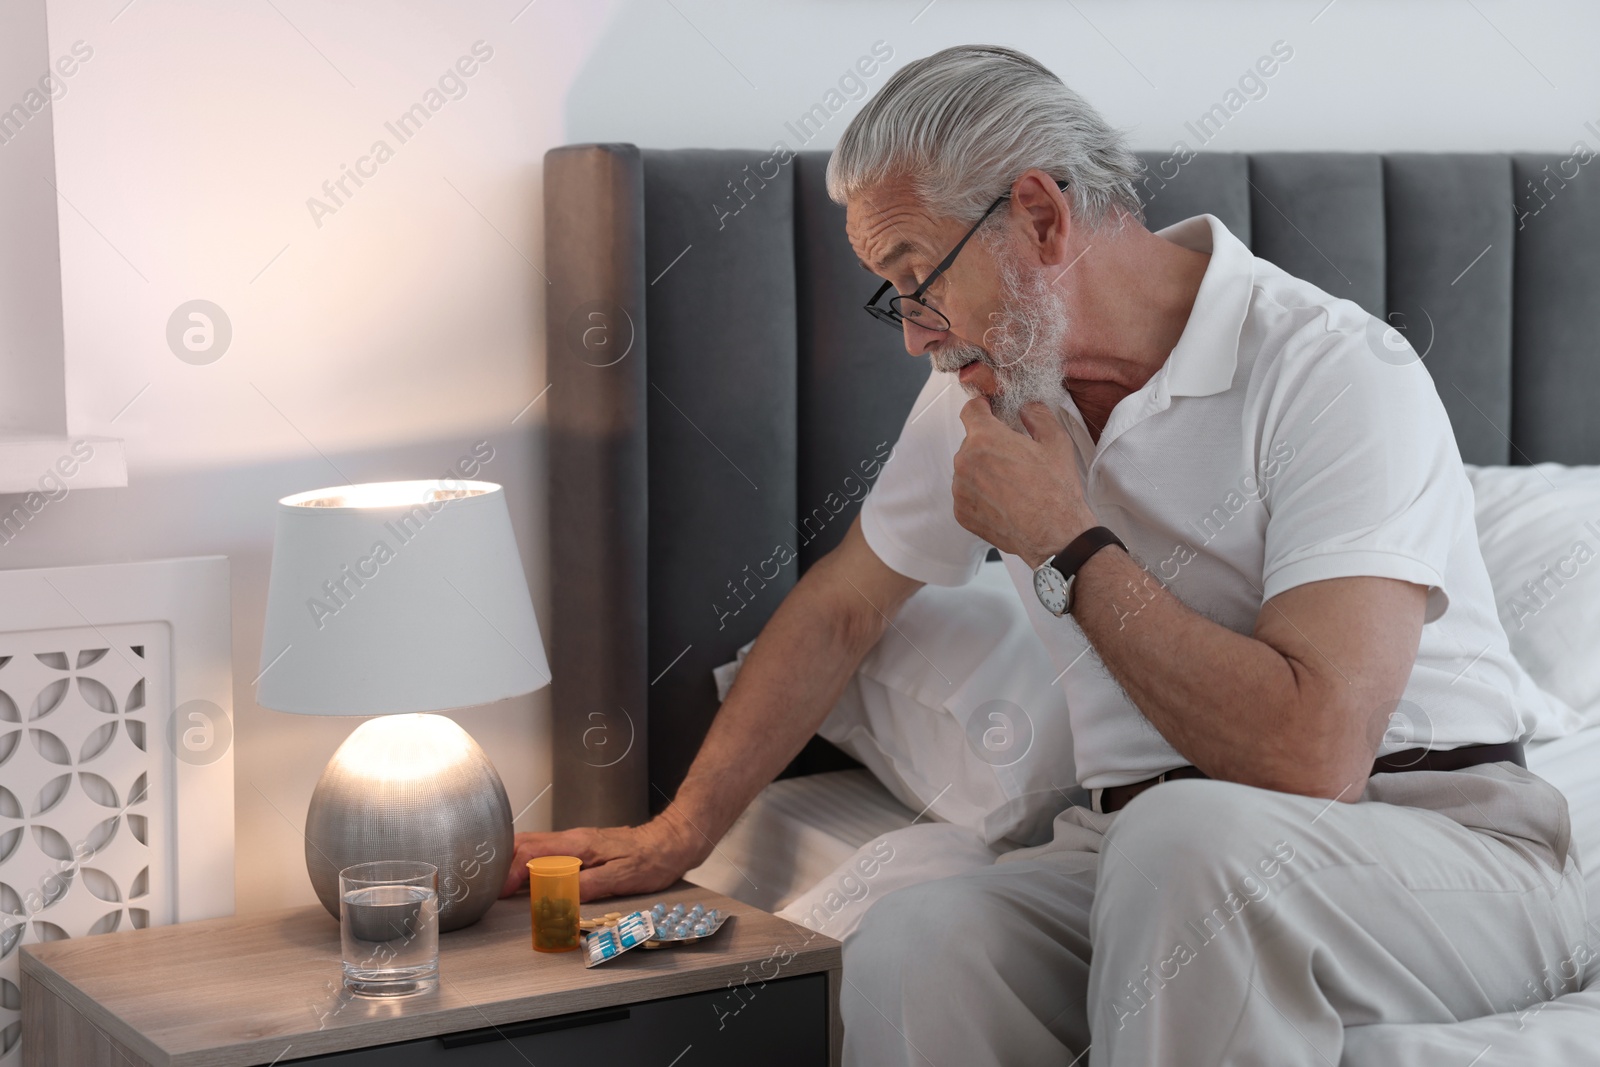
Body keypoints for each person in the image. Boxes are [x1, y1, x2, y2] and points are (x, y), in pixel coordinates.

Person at [503, 45, 1589, 1066]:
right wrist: (678, 829)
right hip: (1137, 854)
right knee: (917, 941)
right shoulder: (990, 393)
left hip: (1439, 849)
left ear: (1035, 215)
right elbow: (845, 605)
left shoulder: (1334, 371)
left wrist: (1064, 539)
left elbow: (1313, 758)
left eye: (914, 275)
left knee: (1187, 845)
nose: (913, 333)